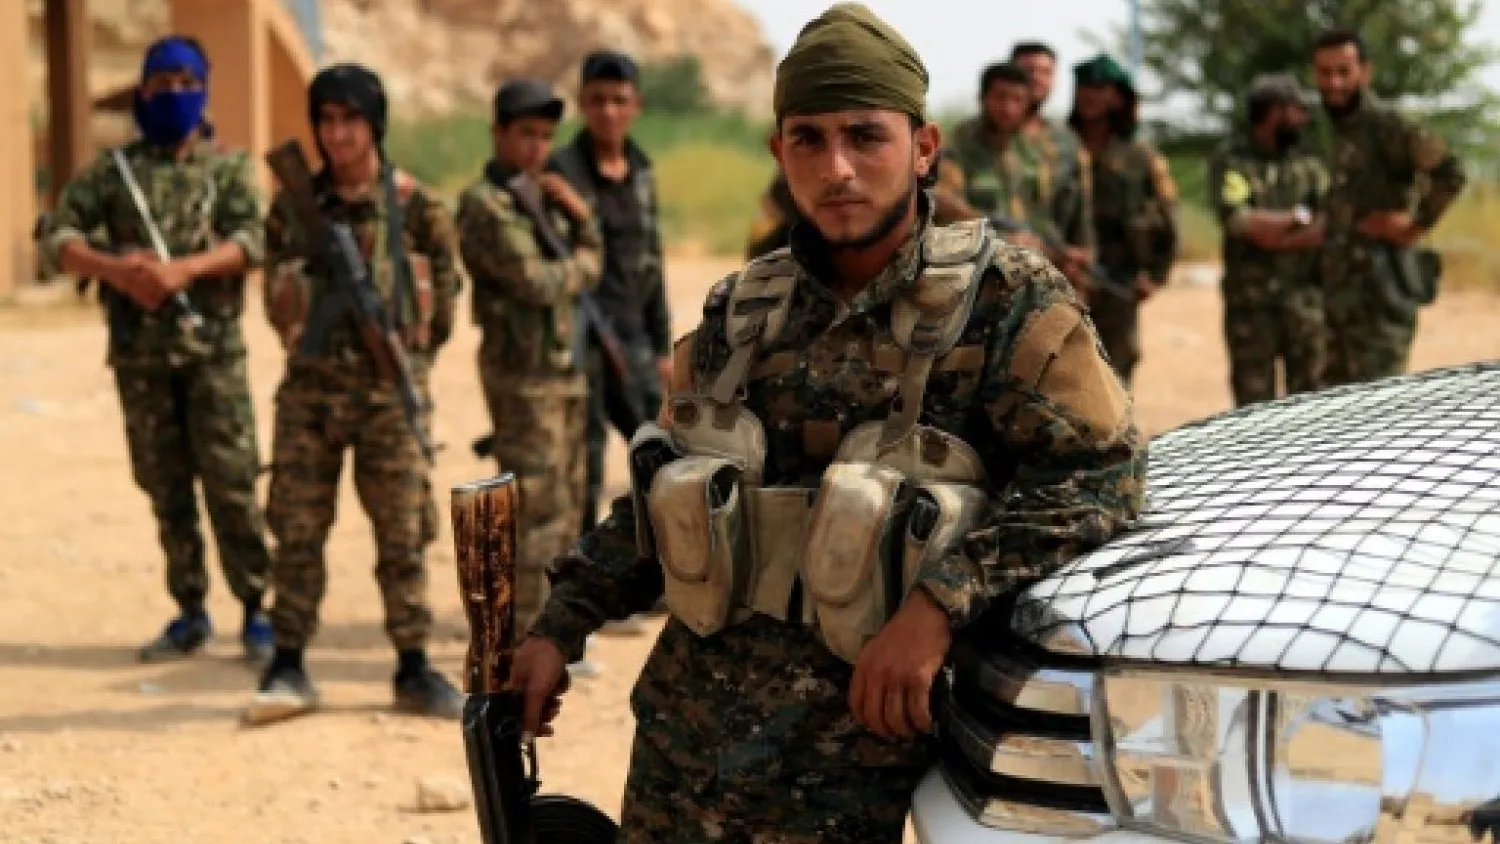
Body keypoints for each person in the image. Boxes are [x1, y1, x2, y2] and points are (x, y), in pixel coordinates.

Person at [507, 4, 1146, 841]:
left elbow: (1101, 475)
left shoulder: (1004, 303)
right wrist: (561, 623)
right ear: (779, 153)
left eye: (865, 136)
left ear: (923, 148)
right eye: (807, 138)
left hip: (867, 762)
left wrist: (938, 606)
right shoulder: (741, 310)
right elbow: (664, 493)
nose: (836, 167)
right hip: (686, 750)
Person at [38, 36, 274, 664]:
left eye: (184, 82)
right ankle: (190, 611)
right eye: (160, 83)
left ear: (204, 88)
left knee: (232, 482)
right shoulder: (113, 172)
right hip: (141, 362)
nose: (172, 94)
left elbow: (255, 239)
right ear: (142, 90)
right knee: (166, 487)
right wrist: (115, 270)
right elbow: (56, 236)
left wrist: (187, 270)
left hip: (213, 355)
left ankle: (257, 609)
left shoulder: (227, 168)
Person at [246, 64, 463, 725]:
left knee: (403, 531)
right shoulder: (293, 205)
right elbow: (270, 301)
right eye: (326, 120)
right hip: (310, 394)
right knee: (298, 526)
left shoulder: (420, 209)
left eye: (350, 120)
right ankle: (288, 660)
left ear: (375, 124)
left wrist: (399, 356)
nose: (336, 134)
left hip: (387, 398)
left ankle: (412, 664)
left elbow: (446, 305)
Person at [456, 79, 603, 637]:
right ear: (498, 133)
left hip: (562, 370)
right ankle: (520, 633)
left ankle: (553, 628)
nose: (537, 147)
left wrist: (582, 219)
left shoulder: (544, 196)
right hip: (522, 377)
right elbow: (538, 281)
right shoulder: (485, 205)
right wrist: (583, 261)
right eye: (525, 134)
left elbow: (586, 259)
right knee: (534, 508)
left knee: (566, 506)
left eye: (545, 136)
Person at [548, 50, 673, 539]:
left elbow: (653, 262)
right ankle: (582, 578)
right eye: (597, 101)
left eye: (619, 101)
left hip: (634, 339)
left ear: (636, 105)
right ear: (582, 103)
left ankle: (662, 570)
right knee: (585, 466)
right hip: (581, 342)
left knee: (660, 457)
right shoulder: (560, 172)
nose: (608, 112)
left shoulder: (642, 172)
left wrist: (662, 345)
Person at [1312, 28, 1467, 385]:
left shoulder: (1389, 126)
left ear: (1365, 72)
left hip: (1381, 302)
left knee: (1376, 419)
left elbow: (1451, 173)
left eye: (1343, 71)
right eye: (1325, 72)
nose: (1334, 83)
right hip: (1334, 305)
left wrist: (1414, 226)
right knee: (1331, 421)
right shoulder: (1328, 130)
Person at [1208, 73, 1330, 406]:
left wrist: (1277, 237)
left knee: (1310, 406)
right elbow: (1239, 220)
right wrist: (1295, 219)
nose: (1304, 119)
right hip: (1251, 307)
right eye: (1297, 110)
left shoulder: (1309, 166)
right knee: (1253, 409)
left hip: (1304, 306)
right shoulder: (1233, 161)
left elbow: (1325, 226)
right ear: (1275, 113)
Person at [1069, 54, 1179, 387]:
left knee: (1115, 377)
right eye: (1084, 87)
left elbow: (1168, 217)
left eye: (1099, 88)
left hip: (1118, 280)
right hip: (1066, 275)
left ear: (1117, 96)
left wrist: (1156, 275)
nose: (1089, 95)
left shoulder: (1140, 156)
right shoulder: (1059, 147)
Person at [940, 61, 1094, 290]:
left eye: (1017, 100)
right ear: (983, 98)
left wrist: (1063, 253)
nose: (1008, 108)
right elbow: (944, 211)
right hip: (977, 279)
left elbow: (1044, 217)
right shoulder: (959, 148)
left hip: (1032, 276)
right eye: (1000, 98)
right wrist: (1001, 239)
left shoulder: (1037, 153)